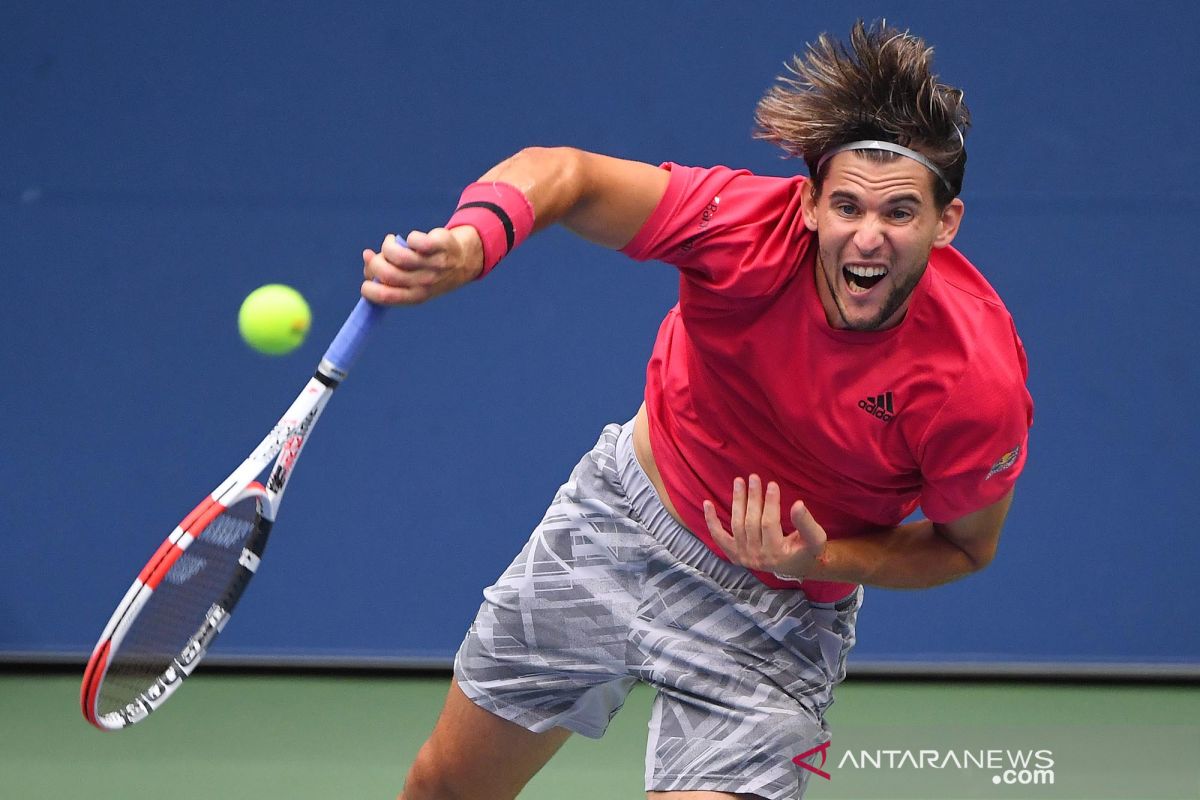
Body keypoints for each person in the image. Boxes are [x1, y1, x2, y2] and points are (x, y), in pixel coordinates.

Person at [363, 19, 1033, 800]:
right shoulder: (745, 228)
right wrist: (477, 241)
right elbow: (566, 173)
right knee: (445, 789)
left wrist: (819, 561)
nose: (868, 237)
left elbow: (964, 549)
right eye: (847, 206)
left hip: (775, 616)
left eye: (899, 214)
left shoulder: (975, 380)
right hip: (616, 525)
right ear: (811, 203)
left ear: (945, 223)